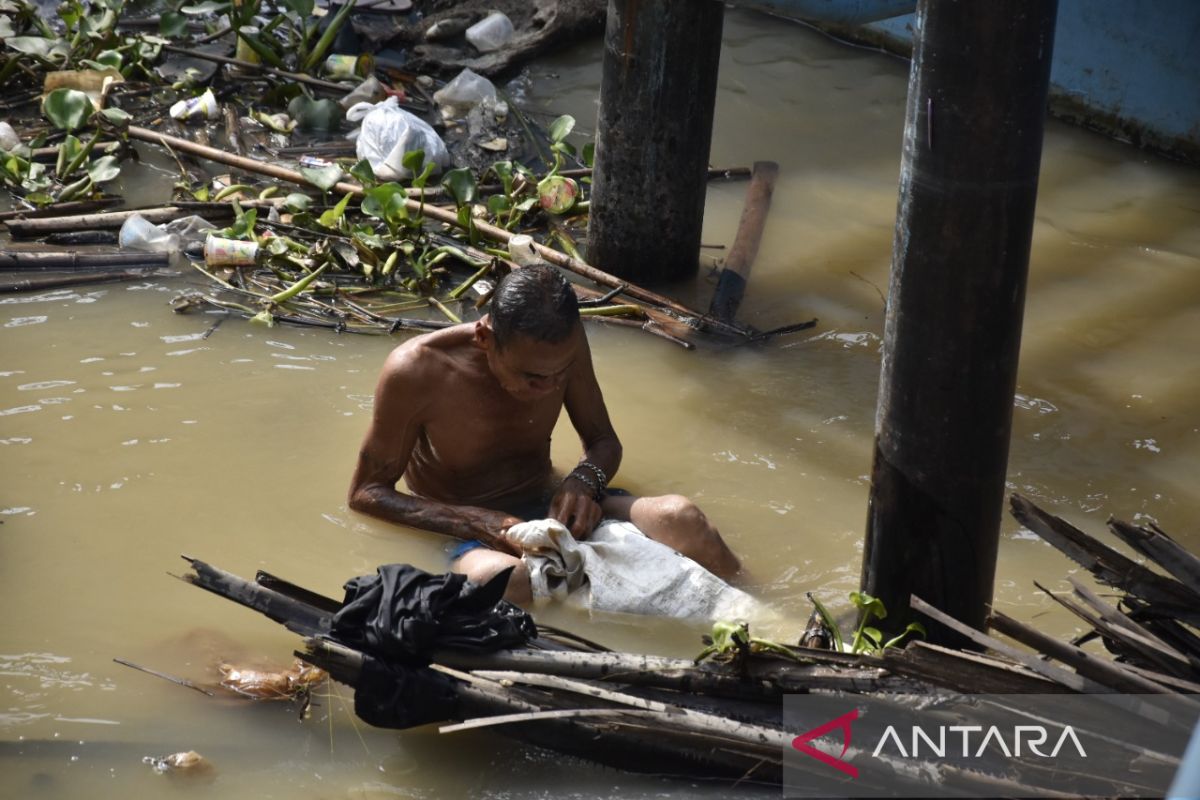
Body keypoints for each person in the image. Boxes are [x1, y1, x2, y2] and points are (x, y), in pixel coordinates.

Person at [348, 264, 741, 604]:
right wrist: (474, 522)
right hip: (474, 527)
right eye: (532, 377)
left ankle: (764, 615)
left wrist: (583, 484)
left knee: (683, 518)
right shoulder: (417, 370)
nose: (551, 387)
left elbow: (603, 441)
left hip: (555, 503)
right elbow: (366, 494)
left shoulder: (564, 347)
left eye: (560, 373)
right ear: (485, 339)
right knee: (506, 582)